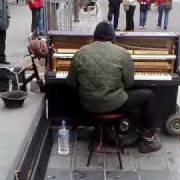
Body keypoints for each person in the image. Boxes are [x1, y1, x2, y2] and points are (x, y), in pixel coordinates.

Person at [67, 21, 161, 153]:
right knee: (149, 95)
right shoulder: (122, 53)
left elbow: (71, 82)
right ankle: (148, 138)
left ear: (94, 36)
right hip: (115, 104)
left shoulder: (80, 52)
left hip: (88, 105)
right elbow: (129, 84)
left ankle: (96, 127)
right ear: (113, 38)